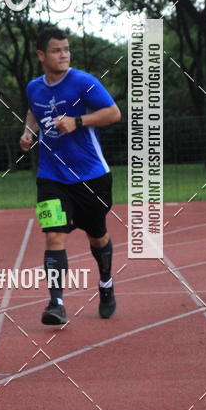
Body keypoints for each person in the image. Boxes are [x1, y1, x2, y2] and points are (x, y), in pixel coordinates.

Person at [19, 27, 121, 325]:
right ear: (41, 55)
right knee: (54, 236)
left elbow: (113, 113)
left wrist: (79, 121)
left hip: (91, 176)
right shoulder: (34, 87)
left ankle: (105, 284)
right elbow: (33, 110)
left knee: (97, 235)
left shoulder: (84, 82)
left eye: (66, 49)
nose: (63, 55)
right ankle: (56, 303)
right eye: (56, 50)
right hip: (51, 177)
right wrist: (28, 131)